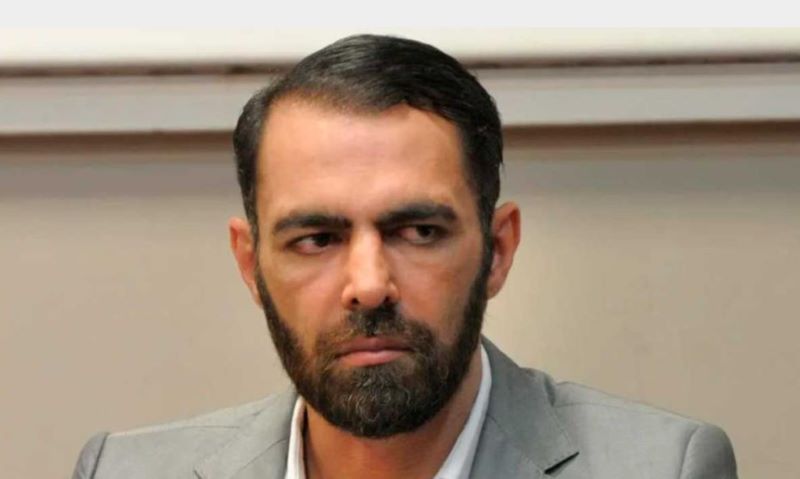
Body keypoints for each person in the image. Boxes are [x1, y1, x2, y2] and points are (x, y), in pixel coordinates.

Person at [72, 34, 737, 479]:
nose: (369, 285)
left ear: (498, 250)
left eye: (418, 231)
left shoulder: (662, 467)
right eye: (317, 239)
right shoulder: (124, 471)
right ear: (251, 266)